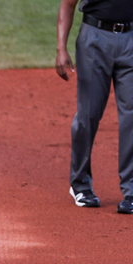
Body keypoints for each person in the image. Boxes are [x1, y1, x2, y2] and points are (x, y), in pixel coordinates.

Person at [56, 0, 133, 213]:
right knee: (88, 115)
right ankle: (80, 184)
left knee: (132, 117)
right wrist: (61, 48)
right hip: (95, 38)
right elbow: (68, 4)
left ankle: (132, 190)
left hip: (131, 38)